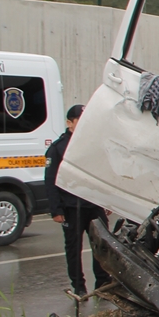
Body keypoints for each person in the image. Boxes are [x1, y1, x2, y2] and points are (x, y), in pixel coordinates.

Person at [46, 104, 109, 301]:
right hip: (71, 207)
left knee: (102, 246)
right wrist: (56, 209)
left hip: (93, 205)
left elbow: (102, 174)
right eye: (79, 120)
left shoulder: (92, 144)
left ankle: (103, 283)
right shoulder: (58, 148)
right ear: (69, 122)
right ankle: (79, 286)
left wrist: (107, 200)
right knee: (74, 249)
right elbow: (51, 180)